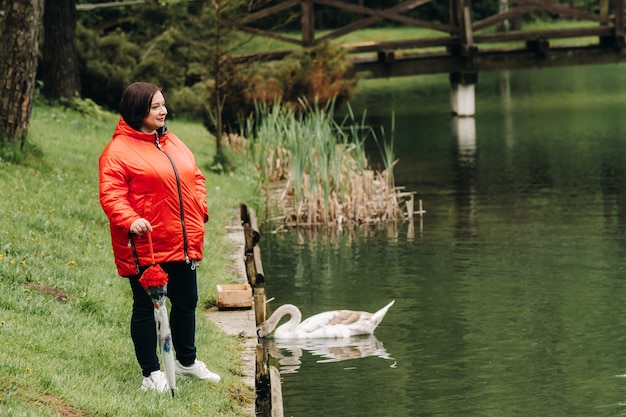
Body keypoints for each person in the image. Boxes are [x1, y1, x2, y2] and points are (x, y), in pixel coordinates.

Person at [99, 81, 220, 393]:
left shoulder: (172, 141)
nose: (163, 110)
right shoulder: (118, 152)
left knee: (187, 301)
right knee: (145, 307)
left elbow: (197, 176)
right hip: (147, 243)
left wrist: (200, 206)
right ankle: (151, 373)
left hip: (182, 241)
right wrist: (130, 219)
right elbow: (112, 195)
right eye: (155, 106)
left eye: (163, 104)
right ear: (138, 110)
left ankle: (187, 362)